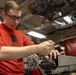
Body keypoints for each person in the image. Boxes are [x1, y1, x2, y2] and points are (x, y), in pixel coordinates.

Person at [0, 0, 60, 75]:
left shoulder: (20, 34)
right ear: (3, 15)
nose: (16, 22)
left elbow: (36, 49)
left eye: (18, 18)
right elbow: (1, 53)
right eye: (12, 17)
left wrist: (47, 51)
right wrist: (38, 48)